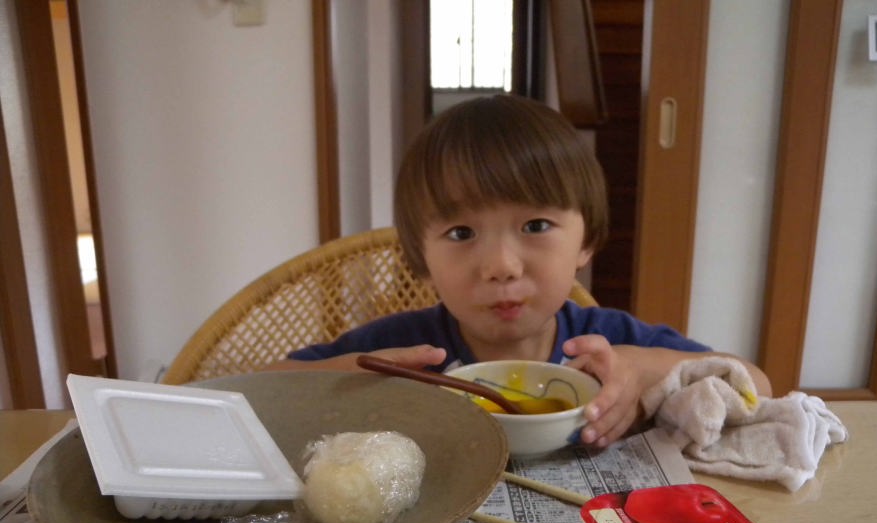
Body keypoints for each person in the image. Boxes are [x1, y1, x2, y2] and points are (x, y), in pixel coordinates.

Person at [265, 94, 771, 447]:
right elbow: (255, 389)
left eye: (535, 225)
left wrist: (642, 370)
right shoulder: (402, 350)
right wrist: (352, 382)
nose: (501, 267)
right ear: (421, 259)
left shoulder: (608, 345)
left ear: (586, 241)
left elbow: (757, 385)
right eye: (461, 233)